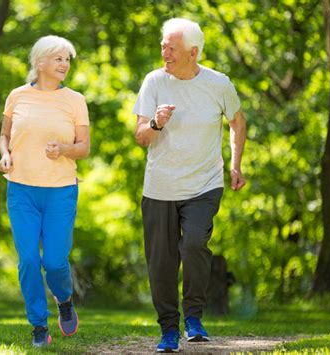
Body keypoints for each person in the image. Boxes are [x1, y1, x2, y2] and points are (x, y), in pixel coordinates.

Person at [133, 18, 246, 353]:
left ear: (193, 53)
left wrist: (236, 163)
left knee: (195, 244)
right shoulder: (154, 82)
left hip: (204, 184)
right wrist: (156, 122)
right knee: (161, 263)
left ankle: (194, 317)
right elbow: (141, 137)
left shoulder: (218, 84)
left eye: (172, 48)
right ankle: (169, 330)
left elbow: (237, 121)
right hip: (159, 188)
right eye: (163, 45)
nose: (164, 52)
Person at [0, 35, 90, 348]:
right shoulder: (17, 96)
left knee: (54, 262)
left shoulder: (75, 100)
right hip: (21, 190)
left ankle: (64, 300)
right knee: (27, 261)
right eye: (59, 58)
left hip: (60, 191)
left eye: (67, 59)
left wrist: (64, 148)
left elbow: (84, 148)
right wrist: (5, 154)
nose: (65, 64)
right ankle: (39, 325)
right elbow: (4, 136)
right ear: (40, 62)